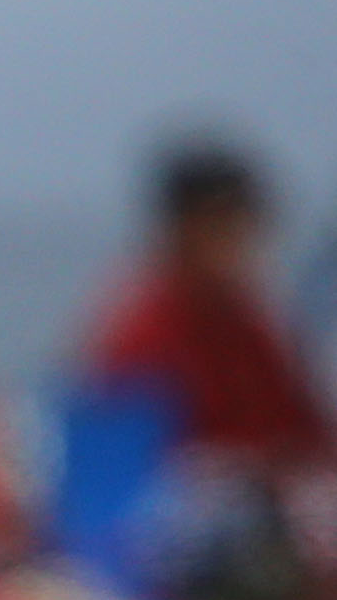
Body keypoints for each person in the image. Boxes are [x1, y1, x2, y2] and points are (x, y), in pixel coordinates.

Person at [83, 141, 332, 477]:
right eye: (220, 223)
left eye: (244, 223)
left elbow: (309, 433)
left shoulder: (251, 324)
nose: (237, 242)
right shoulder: (138, 333)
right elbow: (121, 476)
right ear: (179, 228)